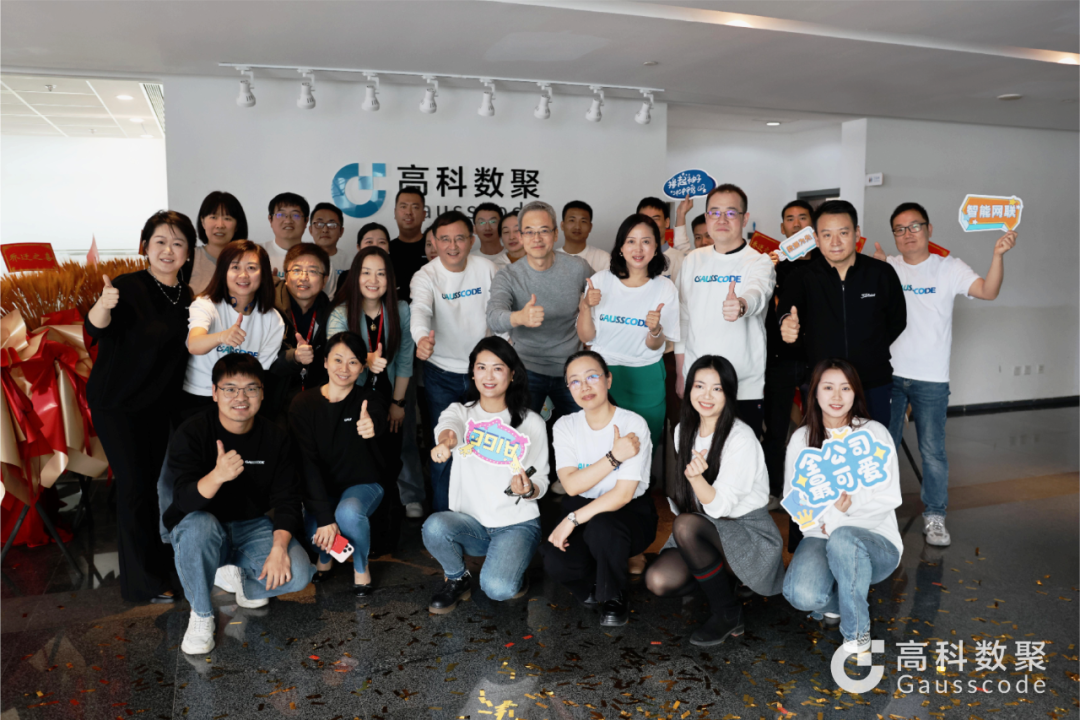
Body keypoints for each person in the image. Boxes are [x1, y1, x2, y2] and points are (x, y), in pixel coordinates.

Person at [874, 202, 1017, 547]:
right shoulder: (887, 268)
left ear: (929, 229)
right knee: (881, 449)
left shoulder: (949, 268)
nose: (907, 234)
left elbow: (988, 291)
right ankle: (877, 514)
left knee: (933, 451)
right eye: (899, 229)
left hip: (931, 379)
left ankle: (935, 516)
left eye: (914, 226)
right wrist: (873, 269)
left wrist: (997, 255)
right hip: (889, 374)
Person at [162, 354, 314, 655]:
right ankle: (201, 614)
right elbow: (182, 501)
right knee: (198, 527)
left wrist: (278, 549)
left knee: (299, 572)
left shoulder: (275, 437)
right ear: (214, 392)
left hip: (251, 525)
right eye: (230, 389)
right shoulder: (193, 432)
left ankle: (244, 578)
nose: (240, 398)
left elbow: (287, 499)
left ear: (262, 393)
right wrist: (217, 476)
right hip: (201, 523)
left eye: (250, 389)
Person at [85, 210, 195, 604]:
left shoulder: (188, 296)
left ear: (188, 252)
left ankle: (156, 566)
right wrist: (103, 304)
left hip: (157, 406)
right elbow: (94, 328)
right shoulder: (125, 286)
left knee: (149, 488)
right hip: (117, 404)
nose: (168, 250)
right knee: (134, 488)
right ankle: (141, 583)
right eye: (160, 241)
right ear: (145, 246)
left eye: (178, 243)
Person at [644, 355, 785, 646]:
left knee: (685, 525)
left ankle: (727, 613)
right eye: (699, 386)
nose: (706, 395)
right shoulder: (683, 431)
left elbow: (720, 508)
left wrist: (697, 480)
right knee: (658, 580)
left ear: (729, 393)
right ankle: (718, 582)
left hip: (749, 534)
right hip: (705, 529)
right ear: (689, 389)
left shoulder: (740, 438)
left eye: (717, 388)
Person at [782, 359, 902, 655]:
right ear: (815, 393)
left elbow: (889, 497)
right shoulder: (801, 439)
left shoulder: (873, 433)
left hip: (876, 542)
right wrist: (827, 521)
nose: (836, 396)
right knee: (801, 595)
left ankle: (856, 635)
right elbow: (796, 501)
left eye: (845, 388)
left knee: (844, 538)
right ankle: (844, 599)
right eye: (828, 388)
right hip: (819, 536)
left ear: (855, 393)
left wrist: (840, 517)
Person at [423, 337, 549, 613]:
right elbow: (449, 428)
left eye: (498, 368)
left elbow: (542, 480)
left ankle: (513, 567)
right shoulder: (461, 412)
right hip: (472, 524)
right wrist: (446, 442)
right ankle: (457, 579)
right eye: (481, 367)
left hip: (517, 523)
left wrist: (528, 489)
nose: (488, 376)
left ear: (512, 374)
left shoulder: (532, 422)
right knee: (434, 527)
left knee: (498, 588)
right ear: (472, 373)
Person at [543, 351, 656, 627]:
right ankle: (591, 589)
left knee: (603, 528)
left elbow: (622, 495)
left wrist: (571, 520)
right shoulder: (565, 426)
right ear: (568, 388)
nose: (585, 386)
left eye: (592, 376)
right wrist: (614, 457)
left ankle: (614, 595)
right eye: (575, 381)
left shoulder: (632, 424)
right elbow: (571, 486)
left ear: (608, 380)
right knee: (555, 558)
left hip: (629, 513)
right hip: (581, 504)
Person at [778, 200, 907, 426]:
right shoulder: (801, 278)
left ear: (857, 233)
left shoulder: (881, 273)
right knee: (824, 445)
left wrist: (871, 348)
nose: (835, 242)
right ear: (816, 238)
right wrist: (787, 326)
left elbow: (897, 321)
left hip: (873, 382)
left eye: (843, 233)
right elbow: (785, 316)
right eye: (827, 235)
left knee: (874, 443)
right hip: (823, 385)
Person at [289, 332, 392, 595]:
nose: (344, 369)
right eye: (337, 360)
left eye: (353, 362)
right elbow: (306, 463)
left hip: (364, 483)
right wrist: (324, 519)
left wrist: (371, 425)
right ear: (324, 362)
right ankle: (326, 555)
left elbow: (377, 416)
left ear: (362, 367)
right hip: (322, 486)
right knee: (316, 531)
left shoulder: (368, 399)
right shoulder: (303, 403)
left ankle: (360, 566)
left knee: (348, 513)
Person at [411, 210, 500, 512]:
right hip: (442, 375)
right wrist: (421, 338)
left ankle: (485, 518)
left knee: (486, 448)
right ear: (434, 242)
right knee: (444, 449)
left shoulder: (487, 269)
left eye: (459, 238)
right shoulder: (426, 276)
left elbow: (500, 313)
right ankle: (442, 520)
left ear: (471, 240)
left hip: (484, 376)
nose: (452, 246)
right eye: (445, 239)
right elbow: (420, 310)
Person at [328, 247, 418, 543]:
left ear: (390, 280)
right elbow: (335, 355)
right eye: (366, 272)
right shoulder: (340, 313)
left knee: (388, 465)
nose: (373, 280)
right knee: (357, 466)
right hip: (351, 401)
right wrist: (365, 359)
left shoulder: (401, 310)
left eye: (381, 273)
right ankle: (349, 532)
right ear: (355, 276)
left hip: (388, 399)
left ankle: (384, 536)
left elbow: (404, 359)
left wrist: (398, 403)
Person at [676, 184, 775, 437]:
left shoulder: (759, 261)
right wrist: (681, 373)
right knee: (697, 454)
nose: (722, 220)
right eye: (714, 213)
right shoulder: (692, 260)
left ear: (745, 218)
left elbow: (758, 293)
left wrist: (741, 305)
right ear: (706, 217)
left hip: (743, 385)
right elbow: (683, 320)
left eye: (731, 213)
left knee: (741, 454)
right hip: (699, 384)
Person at [577, 213, 678, 449]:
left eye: (646, 241)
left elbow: (656, 345)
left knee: (644, 446)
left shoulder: (665, 288)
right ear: (621, 247)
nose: (638, 248)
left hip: (647, 376)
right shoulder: (600, 281)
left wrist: (655, 330)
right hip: (604, 375)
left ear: (656, 247)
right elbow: (586, 337)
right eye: (631, 241)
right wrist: (585, 306)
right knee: (602, 448)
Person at [486, 200, 593, 422]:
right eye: (529, 232)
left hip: (571, 368)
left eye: (544, 230)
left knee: (583, 430)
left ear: (555, 234)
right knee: (521, 432)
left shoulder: (577, 267)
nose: (536, 238)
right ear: (521, 236)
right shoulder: (508, 275)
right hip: (526, 368)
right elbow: (493, 317)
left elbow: (604, 292)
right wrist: (519, 317)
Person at [182, 240, 287, 414]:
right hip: (200, 396)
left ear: (263, 274)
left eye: (251, 268)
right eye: (235, 267)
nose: (243, 275)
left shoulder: (272, 319)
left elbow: (259, 372)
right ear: (223, 272)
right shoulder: (206, 305)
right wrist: (221, 337)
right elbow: (194, 344)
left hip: (241, 401)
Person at [762, 200, 817, 509]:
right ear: (782, 228)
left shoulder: (826, 261)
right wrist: (766, 271)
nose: (796, 224)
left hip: (815, 360)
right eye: (790, 219)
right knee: (776, 430)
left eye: (802, 218)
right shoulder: (772, 264)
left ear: (813, 225)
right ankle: (774, 490)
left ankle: (815, 488)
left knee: (819, 427)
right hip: (778, 359)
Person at [268, 243, 331, 417]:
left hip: (312, 404)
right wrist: (294, 357)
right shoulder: (267, 305)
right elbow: (260, 358)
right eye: (296, 270)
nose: (304, 278)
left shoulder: (330, 312)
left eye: (313, 271)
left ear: (325, 280)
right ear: (286, 275)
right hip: (270, 400)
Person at [190, 191, 248, 295]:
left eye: (227, 218)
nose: (220, 225)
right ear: (202, 222)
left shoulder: (249, 260)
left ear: (237, 225)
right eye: (213, 217)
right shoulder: (189, 258)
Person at [387, 187, 427, 303]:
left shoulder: (435, 248)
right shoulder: (386, 249)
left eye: (415, 207)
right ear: (395, 213)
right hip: (394, 312)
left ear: (424, 214)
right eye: (403, 206)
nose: (408, 212)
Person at [260, 192, 310, 282]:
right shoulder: (256, 252)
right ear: (270, 219)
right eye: (281, 215)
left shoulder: (318, 257)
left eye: (295, 215)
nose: (288, 220)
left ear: (306, 221)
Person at [309, 202, 351, 298]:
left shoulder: (352, 262)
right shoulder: (301, 260)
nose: (325, 230)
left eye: (332, 224)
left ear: (341, 231)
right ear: (310, 230)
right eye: (319, 224)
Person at [636, 197, 683, 284]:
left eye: (655, 219)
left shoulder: (680, 259)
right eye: (644, 219)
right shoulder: (631, 257)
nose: (650, 224)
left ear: (667, 222)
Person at [558, 201, 610, 273]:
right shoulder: (550, 258)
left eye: (583, 221)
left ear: (590, 227)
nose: (577, 227)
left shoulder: (603, 258)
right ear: (562, 225)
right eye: (572, 220)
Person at [471, 203, 510, 267]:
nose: (487, 228)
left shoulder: (513, 255)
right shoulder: (469, 259)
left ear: (502, 226)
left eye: (493, 222)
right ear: (474, 229)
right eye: (482, 222)